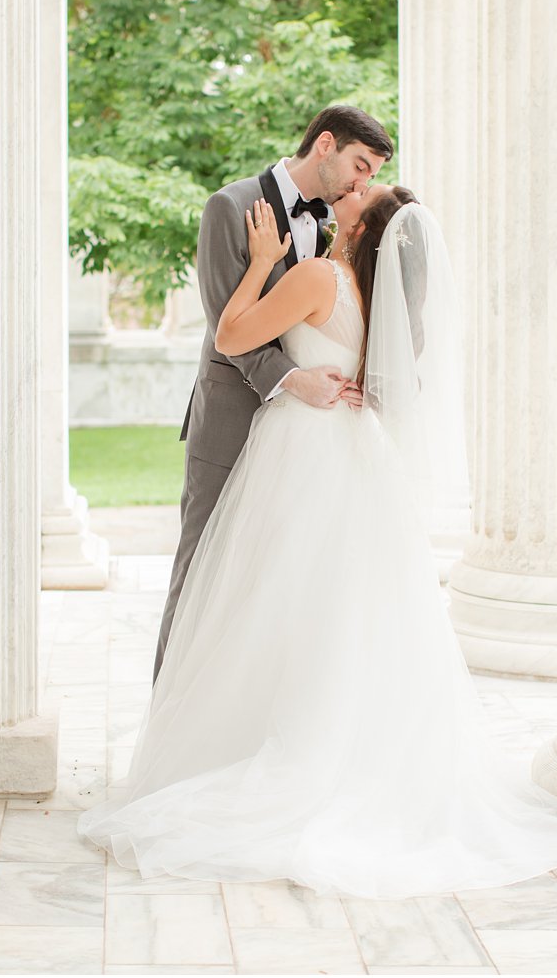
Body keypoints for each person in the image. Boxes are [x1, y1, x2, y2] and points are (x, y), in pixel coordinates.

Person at [78, 185, 557, 899]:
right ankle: (346, 752)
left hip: (302, 451)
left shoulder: (318, 275)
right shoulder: (377, 296)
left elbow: (231, 337)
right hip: (358, 458)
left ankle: (277, 750)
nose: (349, 192)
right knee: (346, 613)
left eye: (362, 193)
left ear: (358, 225)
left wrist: (262, 261)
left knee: (275, 602)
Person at [156, 105, 393, 684]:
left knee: (278, 588)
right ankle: (169, 718)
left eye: (371, 175)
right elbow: (226, 329)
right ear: (326, 145)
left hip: (306, 444)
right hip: (234, 419)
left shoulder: (345, 235)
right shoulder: (231, 206)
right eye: (360, 166)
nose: (363, 183)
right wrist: (294, 380)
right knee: (201, 572)